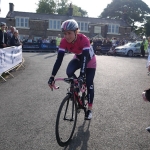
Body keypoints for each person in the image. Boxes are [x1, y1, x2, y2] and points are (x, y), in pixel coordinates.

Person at [48, 19, 97, 120]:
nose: (66, 36)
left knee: (88, 82)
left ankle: (89, 109)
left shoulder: (84, 40)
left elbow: (85, 58)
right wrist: (52, 76)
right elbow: (59, 60)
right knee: (69, 71)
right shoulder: (63, 42)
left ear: (76, 32)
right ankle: (78, 87)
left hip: (89, 61)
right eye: (65, 33)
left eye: (69, 33)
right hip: (78, 58)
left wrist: (82, 75)